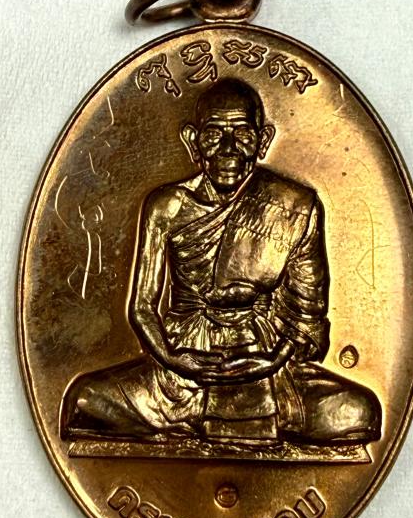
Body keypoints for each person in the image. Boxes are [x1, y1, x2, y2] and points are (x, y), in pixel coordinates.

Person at [61, 79, 381, 445]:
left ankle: (211, 418)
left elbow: (306, 317)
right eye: (214, 134)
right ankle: (190, 411)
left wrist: (273, 360)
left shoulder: (294, 207)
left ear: (262, 141)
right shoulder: (168, 206)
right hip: (183, 368)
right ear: (193, 141)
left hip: (267, 364)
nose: (228, 150)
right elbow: (142, 307)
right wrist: (174, 359)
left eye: (242, 134)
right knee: (85, 401)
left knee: (358, 411)